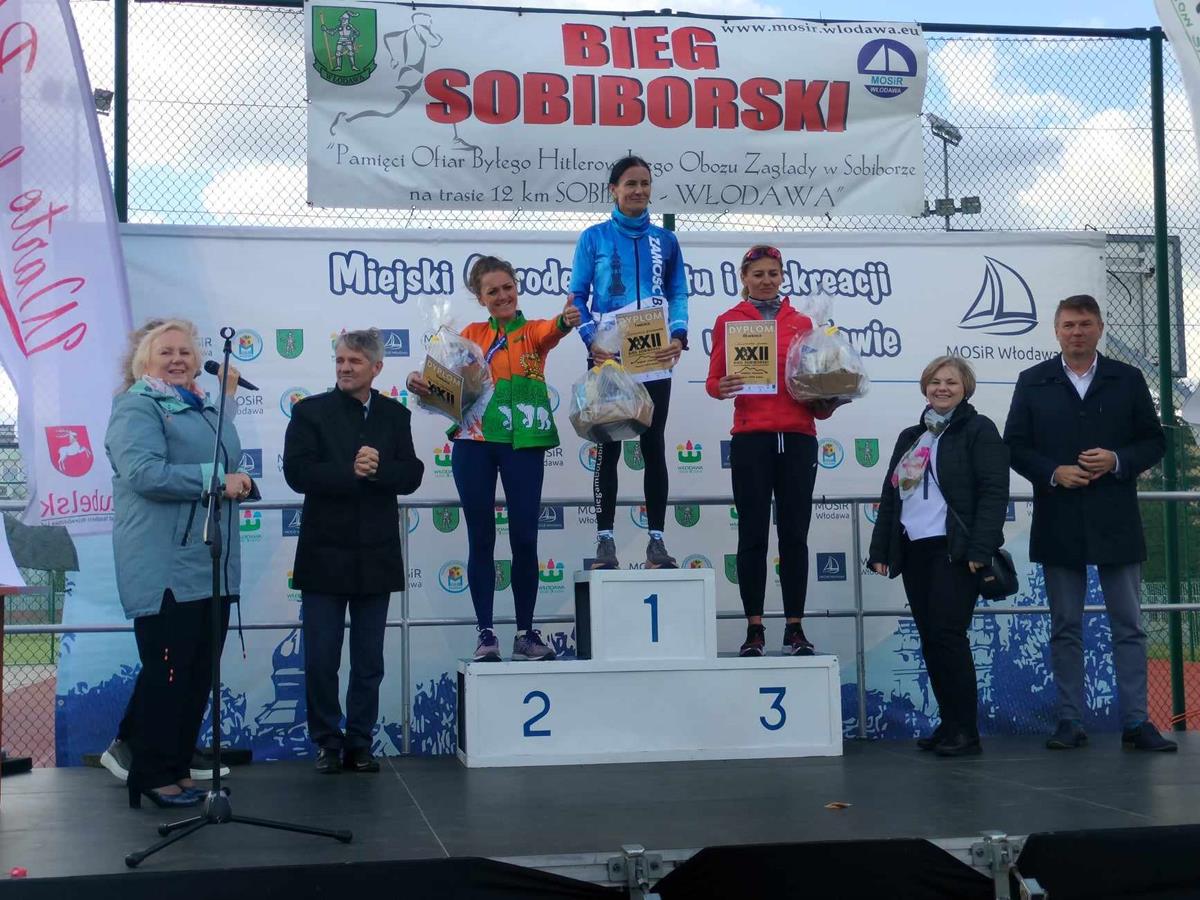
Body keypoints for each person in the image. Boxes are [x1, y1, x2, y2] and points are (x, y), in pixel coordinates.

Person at [1004, 295, 1175, 752]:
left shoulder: (1128, 378)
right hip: (1059, 519)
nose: (1076, 332)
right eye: (1068, 325)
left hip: (1116, 520)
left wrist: (1117, 460)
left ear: (1100, 328)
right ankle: (1069, 721)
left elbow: (1154, 442)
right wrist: (1053, 472)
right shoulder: (1033, 380)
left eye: (1084, 324)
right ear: (1056, 330)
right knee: (1065, 626)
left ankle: (1137, 723)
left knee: (1129, 625)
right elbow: (1014, 446)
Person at [105, 319, 254, 807]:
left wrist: (237, 479)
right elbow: (145, 473)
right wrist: (218, 479)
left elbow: (223, 463)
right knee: (168, 675)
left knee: (195, 677)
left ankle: (176, 767)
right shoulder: (137, 407)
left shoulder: (202, 407)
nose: (177, 359)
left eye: (185, 352)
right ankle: (149, 774)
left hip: (208, 566)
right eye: (165, 352)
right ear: (143, 362)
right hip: (165, 566)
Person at [407, 256, 581, 662]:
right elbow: (439, 383)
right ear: (480, 297)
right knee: (481, 538)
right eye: (493, 291)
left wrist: (567, 319)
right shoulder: (469, 334)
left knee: (525, 538)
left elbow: (553, 329)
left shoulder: (532, 331)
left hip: (523, 443)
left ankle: (525, 633)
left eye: (508, 287)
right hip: (474, 443)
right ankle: (485, 634)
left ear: (516, 287)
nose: (503, 296)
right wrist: (417, 383)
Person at [283, 329, 424, 774]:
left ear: (376, 368)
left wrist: (378, 470)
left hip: (376, 555)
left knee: (369, 661)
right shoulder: (309, 412)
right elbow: (297, 473)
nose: (345, 368)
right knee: (321, 659)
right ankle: (327, 741)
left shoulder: (395, 415)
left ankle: (360, 742)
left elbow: (412, 473)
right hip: (323, 554)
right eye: (340, 360)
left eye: (355, 361)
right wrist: (352, 471)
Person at [706, 244, 844, 656]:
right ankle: (754, 629)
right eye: (758, 274)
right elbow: (713, 381)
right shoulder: (729, 320)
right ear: (744, 278)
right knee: (752, 534)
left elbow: (816, 382)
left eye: (772, 273)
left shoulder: (803, 322)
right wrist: (722, 387)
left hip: (799, 437)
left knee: (794, 535)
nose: (766, 280)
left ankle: (795, 628)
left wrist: (831, 393)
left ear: (782, 276)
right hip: (751, 437)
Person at [867, 356, 1008, 757]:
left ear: (966, 389)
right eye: (935, 382)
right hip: (915, 549)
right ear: (925, 387)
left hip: (955, 550)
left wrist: (981, 547)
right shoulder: (912, 436)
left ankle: (966, 731)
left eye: (951, 382)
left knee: (949, 636)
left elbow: (994, 491)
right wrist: (880, 549)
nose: (942, 388)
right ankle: (949, 724)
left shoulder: (979, 429)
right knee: (931, 639)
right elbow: (891, 496)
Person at [569, 154, 689, 569]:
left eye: (645, 183)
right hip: (608, 356)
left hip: (654, 354)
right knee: (608, 447)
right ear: (613, 190)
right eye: (631, 184)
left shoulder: (666, 241)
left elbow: (678, 293)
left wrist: (678, 336)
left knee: (654, 445)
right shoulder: (594, 238)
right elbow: (577, 297)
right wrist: (591, 342)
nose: (639, 190)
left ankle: (656, 542)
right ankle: (605, 542)